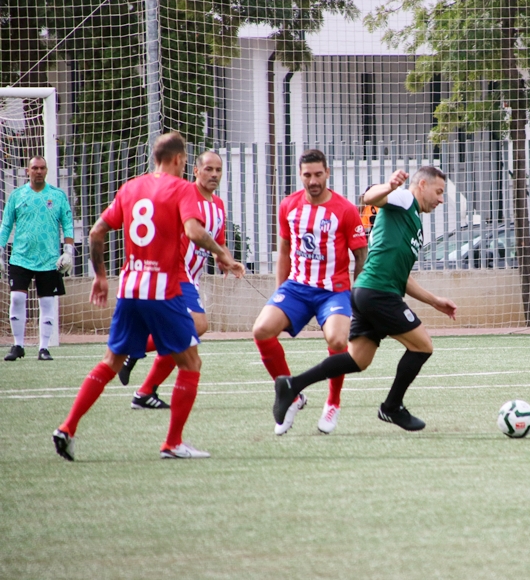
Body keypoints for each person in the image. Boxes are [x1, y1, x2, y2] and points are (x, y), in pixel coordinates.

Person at [52, 132, 244, 461]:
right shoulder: (182, 188)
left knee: (111, 361)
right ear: (180, 160)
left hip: (129, 287)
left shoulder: (131, 187)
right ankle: (172, 443)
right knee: (191, 363)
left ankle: (67, 428)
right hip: (163, 290)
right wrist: (222, 253)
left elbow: (97, 231)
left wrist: (100, 276)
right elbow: (194, 231)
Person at [271, 166, 457, 433]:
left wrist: (434, 300)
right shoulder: (404, 199)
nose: (440, 199)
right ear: (423, 185)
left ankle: (292, 385)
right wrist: (390, 185)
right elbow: (369, 197)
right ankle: (392, 407)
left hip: (368, 292)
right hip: (378, 294)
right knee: (423, 346)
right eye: (439, 192)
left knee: (358, 360)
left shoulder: (411, 218)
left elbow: (400, 276)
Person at [252, 149, 368, 435]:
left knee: (338, 340)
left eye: (318, 174)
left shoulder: (345, 210)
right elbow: (284, 252)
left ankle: (333, 402)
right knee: (262, 330)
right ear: (300, 175)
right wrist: (280, 292)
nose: (313, 180)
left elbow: (362, 257)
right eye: (307, 175)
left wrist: (358, 299)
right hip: (297, 288)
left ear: (327, 173)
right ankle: (290, 395)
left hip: (334, 291)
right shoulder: (288, 206)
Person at [117, 150, 230, 409]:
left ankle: (145, 392)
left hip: (192, 276)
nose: (213, 174)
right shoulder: (184, 194)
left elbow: (218, 242)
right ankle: (130, 349)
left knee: (183, 338)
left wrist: (225, 259)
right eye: (208, 169)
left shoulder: (219, 205)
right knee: (197, 326)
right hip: (175, 271)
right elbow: (188, 231)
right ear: (195, 171)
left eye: (218, 170)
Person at [0, 156, 74, 361]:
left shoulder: (57, 196)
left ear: (47, 170)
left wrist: (68, 251)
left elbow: (67, 224)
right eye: (35, 168)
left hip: (49, 259)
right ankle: (18, 345)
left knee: (48, 303)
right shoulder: (17, 195)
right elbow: (6, 225)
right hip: (20, 257)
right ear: (28, 171)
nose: (38, 171)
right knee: (16, 298)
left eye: (42, 168)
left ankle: (44, 347)